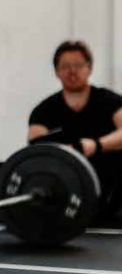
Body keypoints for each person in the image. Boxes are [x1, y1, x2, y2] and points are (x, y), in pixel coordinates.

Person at [23, 40, 122, 221]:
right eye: (66, 66)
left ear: (89, 68)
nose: (72, 71)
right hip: (64, 179)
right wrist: (64, 152)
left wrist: (96, 145)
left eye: (78, 65)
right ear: (57, 71)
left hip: (109, 178)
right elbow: (35, 147)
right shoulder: (44, 110)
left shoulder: (110, 101)